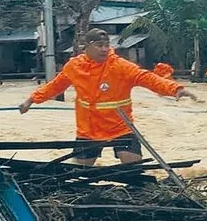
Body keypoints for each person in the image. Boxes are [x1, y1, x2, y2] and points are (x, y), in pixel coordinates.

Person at [18, 28, 196, 166]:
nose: (104, 49)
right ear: (86, 47)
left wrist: (175, 89)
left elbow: (147, 78)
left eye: (107, 45)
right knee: (79, 173)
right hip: (89, 130)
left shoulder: (120, 66)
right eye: (99, 45)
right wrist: (31, 100)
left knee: (134, 167)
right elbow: (55, 86)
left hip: (120, 127)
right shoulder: (74, 67)